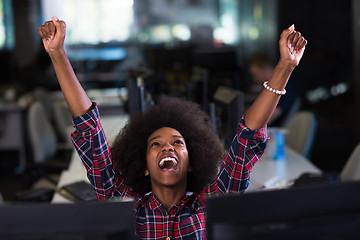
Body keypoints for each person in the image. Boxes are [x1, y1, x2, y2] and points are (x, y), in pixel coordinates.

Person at [38, 16, 307, 239]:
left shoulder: (212, 202)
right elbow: (90, 129)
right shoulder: (121, 202)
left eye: (178, 143)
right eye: (155, 144)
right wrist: (57, 54)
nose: (168, 146)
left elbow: (245, 139)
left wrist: (285, 66)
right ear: (144, 165)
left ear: (192, 162)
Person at [247, 52, 301, 126]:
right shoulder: (272, 87)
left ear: (267, 69)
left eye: (255, 74)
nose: (254, 79)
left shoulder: (285, 87)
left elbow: (266, 120)